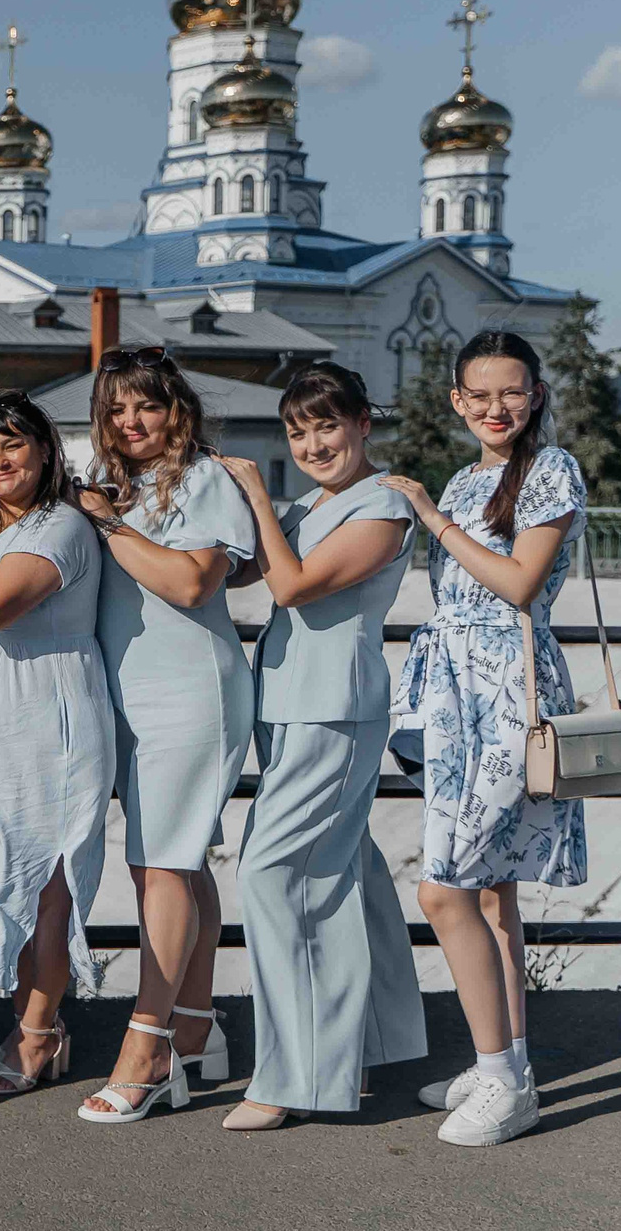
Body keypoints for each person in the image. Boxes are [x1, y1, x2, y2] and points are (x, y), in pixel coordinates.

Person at [383, 331, 589, 1149]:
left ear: (535, 394)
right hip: (453, 692)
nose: (496, 407)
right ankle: (505, 1060)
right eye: (481, 394)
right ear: (457, 401)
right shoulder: (469, 477)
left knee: (446, 888)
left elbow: (517, 583)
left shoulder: (550, 470)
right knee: (492, 894)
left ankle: (505, 1082)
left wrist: (429, 516)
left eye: (513, 391)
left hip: (510, 690)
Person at [215, 362, 427, 1131]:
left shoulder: (386, 505)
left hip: (335, 708)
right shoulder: (311, 502)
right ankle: (370, 1045)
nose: (312, 442)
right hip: (290, 704)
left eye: (327, 425)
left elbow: (296, 584)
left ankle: (295, 1074)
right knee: (344, 872)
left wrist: (258, 499)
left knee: (277, 873)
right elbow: (247, 570)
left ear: (364, 422)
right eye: (298, 431)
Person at [76, 347, 257, 1124]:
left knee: (161, 865)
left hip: (192, 691)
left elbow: (192, 581)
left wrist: (108, 523)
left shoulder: (206, 477)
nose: (130, 421)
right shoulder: (116, 480)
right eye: (116, 409)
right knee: (179, 863)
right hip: (131, 693)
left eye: (144, 405)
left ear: (175, 407)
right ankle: (194, 1026)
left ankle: (146, 1049)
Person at [0, 389, 114, 1098]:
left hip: (49, 721)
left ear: (44, 451)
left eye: (12, 445)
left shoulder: (59, 525)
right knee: (1, 869)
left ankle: (39, 1032)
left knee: (46, 883)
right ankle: (28, 1022)